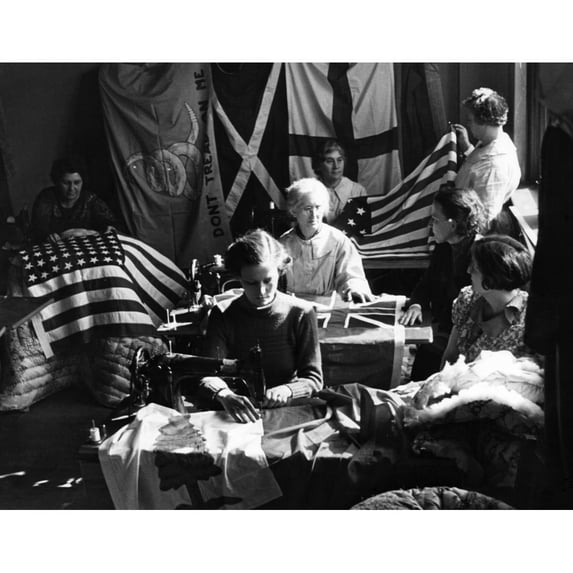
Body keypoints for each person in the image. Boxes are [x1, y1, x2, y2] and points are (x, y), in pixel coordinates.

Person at [199, 229, 323, 423]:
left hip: (286, 411)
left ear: (279, 271)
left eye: (268, 281)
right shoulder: (222, 313)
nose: (261, 291)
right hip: (237, 414)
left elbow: (313, 379)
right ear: (238, 278)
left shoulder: (301, 313)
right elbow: (207, 373)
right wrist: (224, 394)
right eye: (251, 283)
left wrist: (288, 390)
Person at [399, 186, 486, 380]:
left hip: (467, 340)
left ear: (452, 225)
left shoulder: (481, 255)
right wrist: (416, 304)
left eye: (435, 220)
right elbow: (426, 282)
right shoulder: (444, 248)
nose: (431, 225)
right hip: (443, 330)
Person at [441, 234, 533, 367]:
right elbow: (450, 355)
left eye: (474, 267)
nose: (468, 271)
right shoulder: (467, 299)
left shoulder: (529, 318)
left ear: (493, 276)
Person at [279, 177, 375, 302]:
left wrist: (354, 288)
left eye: (318, 207)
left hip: (328, 306)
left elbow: (352, 276)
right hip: (293, 305)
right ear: (293, 211)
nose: (314, 215)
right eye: (307, 208)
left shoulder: (338, 241)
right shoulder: (282, 244)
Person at [451, 87, 521, 230]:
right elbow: (478, 164)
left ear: (484, 122)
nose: (468, 124)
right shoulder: (494, 141)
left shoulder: (494, 167)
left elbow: (484, 220)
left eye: (470, 120)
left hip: (467, 229)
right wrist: (467, 148)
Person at [30, 157, 120, 244]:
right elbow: (38, 229)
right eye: (66, 183)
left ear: (83, 181)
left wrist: (109, 227)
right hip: (55, 249)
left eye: (77, 182)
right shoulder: (46, 197)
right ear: (57, 182)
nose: (71, 188)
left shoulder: (90, 199)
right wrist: (47, 236)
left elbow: (110, 223)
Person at [312, 139, 367, 223]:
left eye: (339, 160)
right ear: (319, 164)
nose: (336, 166)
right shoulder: (310, 191)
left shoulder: (357, 191)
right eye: (330, 161)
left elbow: (362, 224)